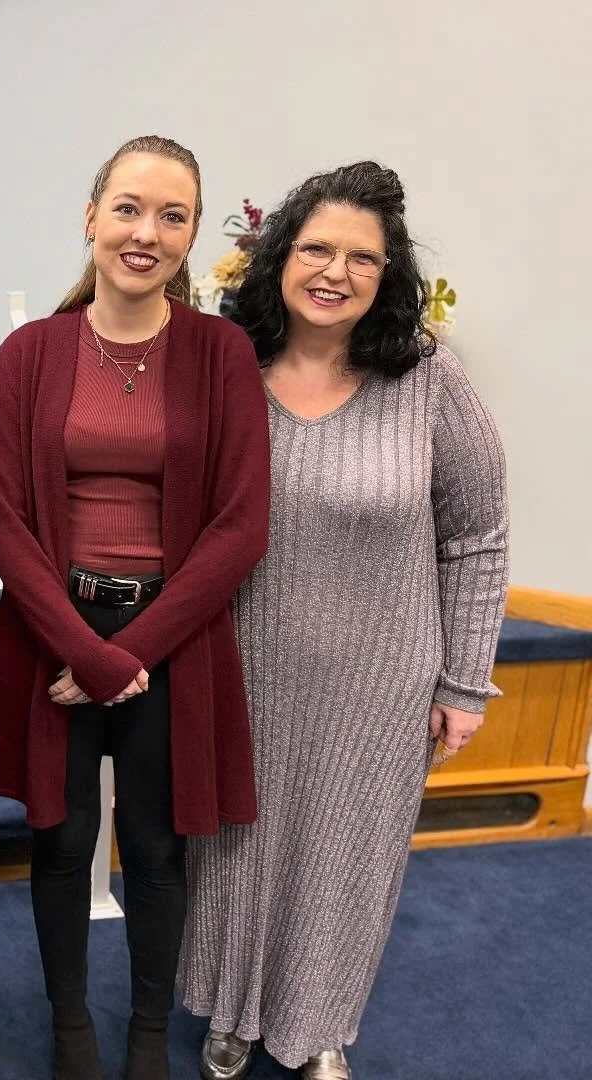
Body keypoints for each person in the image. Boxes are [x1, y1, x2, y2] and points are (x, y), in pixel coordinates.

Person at [180, 162, 509, 1080]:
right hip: (242, 667)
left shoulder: (429, 379)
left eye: (361, 258)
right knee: (232, 853)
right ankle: (230, 1012)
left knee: (344, 860)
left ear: (387, 274)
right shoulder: (225, 364)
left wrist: (464, 681)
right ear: (279, 255)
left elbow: (477, 535)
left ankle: (319, 1022)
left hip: (379, 680)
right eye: (317, 247)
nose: (335, 270)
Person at [0, 135, 271, 1080]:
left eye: (172, 215)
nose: (146, 232)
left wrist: (130, 651)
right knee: (60, 843)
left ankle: (146, 1037)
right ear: (92, 215)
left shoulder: (223, 353)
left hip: (170, 639)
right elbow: (3, 521)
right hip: (54, 634)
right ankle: (72, 1033)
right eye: (130, 208)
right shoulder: (33, 352)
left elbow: (239, 526)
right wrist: (85, 648)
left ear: (190, 234)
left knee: (153, 848)